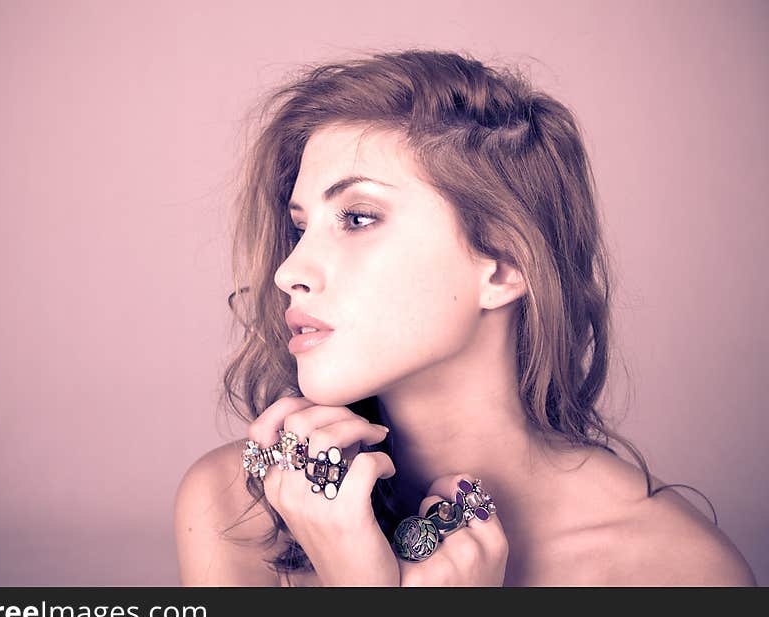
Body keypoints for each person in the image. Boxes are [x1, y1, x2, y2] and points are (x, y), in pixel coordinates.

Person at [174, 49, 756, 586]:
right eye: (302, 227)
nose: (288, 271)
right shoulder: (237, 509)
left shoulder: (676, 571)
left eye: (357, 218)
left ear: (504, 266)